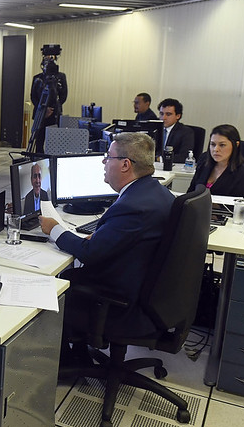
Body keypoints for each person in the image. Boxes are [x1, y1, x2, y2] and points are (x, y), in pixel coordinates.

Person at [39, 133, 174, 358]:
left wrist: (54, 228)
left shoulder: (132, 206)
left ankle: (63, 360)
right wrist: (103, 236)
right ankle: (78, 351)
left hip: (125, 303)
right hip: (151, 292)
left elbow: (89, 253)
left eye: (108, 157)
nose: (103, 162)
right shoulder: (156, 193)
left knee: (62, 282)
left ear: (125, 165)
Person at [187, 124, 244, 197]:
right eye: (213, 144)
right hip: (195, 207)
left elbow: (234, 205)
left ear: (236, 145)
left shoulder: (242, 173)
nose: (215, 149)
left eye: (222, 145)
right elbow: (191, 191)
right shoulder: (204, 160)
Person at [29, 59, 68, 153]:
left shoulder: (61, 77)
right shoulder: (37, 78)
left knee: (53, 141)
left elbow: (64, 95)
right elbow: (33, 96)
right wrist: (43, 110)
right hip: (40, 113)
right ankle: (38, 159)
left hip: (55, 114)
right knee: (39, 140)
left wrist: (53, 109)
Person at [158, 98, 194, 163]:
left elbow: (184, 156)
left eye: (168, 114)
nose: (163, 118)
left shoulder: (186, 132)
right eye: (161, 114)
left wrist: (160, 159)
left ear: (178, 116)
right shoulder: (156, 130)